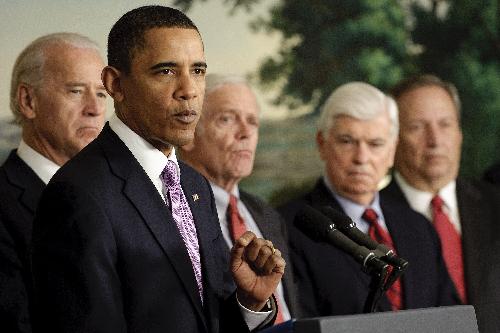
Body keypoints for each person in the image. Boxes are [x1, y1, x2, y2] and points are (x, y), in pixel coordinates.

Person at [31, 6, 285, 333]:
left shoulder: (194, 185)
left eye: (197, 71)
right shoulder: (78, 194)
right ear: (116, 84)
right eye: (165, 71)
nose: (188, 90)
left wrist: (248, 303)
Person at [278, 82, 458, 317]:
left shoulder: (418, 227)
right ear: (322, 144)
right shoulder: (286, 226)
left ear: (392, 151)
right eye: (347, 141)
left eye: (375, 144)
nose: (362, 157)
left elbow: (452, 318)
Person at [0, 32, 106, 333]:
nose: (95, 109)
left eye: (101, 94)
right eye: (76, 91)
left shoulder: (115, 198)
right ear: (28, 101)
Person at [179, 73, 301, 322]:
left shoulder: (266, 214)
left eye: (253, 122)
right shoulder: (171, 212)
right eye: (227, 119)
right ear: (189, 135)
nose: (245, 132)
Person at [386, 74, 500, 332]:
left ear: (459, 133)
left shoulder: (496, 204)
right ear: (392, 138)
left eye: (445, 124)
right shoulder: (370, 222)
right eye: (417, 127)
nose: (435, 140)